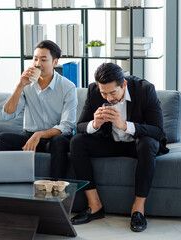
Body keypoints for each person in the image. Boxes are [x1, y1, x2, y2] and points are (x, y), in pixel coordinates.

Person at [70, 62, 169, 232]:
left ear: (123, 84)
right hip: (111, 143)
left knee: (147, 143)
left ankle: (138, 209)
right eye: (104, 93)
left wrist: (124, 125)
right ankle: (95, 206)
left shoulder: (145, 90)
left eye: (113, 92)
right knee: (77, 142)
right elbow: (79, 126)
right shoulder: (94, 91)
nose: (108, 98)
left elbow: (158, 131)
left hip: (137, 144)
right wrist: (94, 124)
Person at [0, 40, 77, 178]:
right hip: (30, 136)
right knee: (4, 139)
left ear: (55, 62)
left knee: (59, 142)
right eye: (35, 59)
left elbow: (67, 126)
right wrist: (20, 86)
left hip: (55, 137)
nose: (38, 63)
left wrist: (40, 134)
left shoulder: (68, 87)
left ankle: (55, 189)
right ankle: (7, 187)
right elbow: (7, 115)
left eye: (43, 59)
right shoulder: (26, 84)